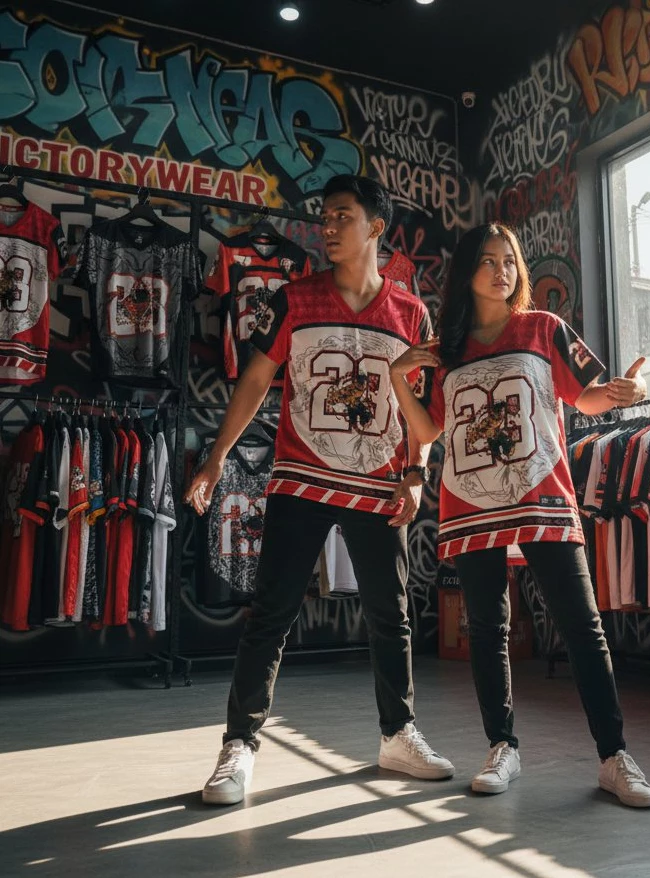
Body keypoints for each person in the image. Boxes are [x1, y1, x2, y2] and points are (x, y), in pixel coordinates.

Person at [185, 175, 454, 806]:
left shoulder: (410, 313)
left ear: (375, 227)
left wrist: (416, 473)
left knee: (391, 615)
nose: (327, 227)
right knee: (271, 614)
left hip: (377, 483)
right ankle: (239, 746)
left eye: (342, 217)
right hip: (301, 477)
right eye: (325, 217)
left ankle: (398, 734)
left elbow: (419, 408)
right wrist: (216, 458)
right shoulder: (294, 299)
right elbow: (256, 379)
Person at [388, 223, 650, 807]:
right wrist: (395, 377)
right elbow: (428, 430)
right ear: (467, 272)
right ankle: (501, 746)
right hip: (471, 505)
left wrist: (627, 391)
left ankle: (614, 756)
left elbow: (588, 396)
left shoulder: (544, 328)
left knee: (582, 625)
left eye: (509, 260)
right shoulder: (446, 350)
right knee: (488, 629)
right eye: (488, 261)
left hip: (544, 499)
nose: (501, 271)